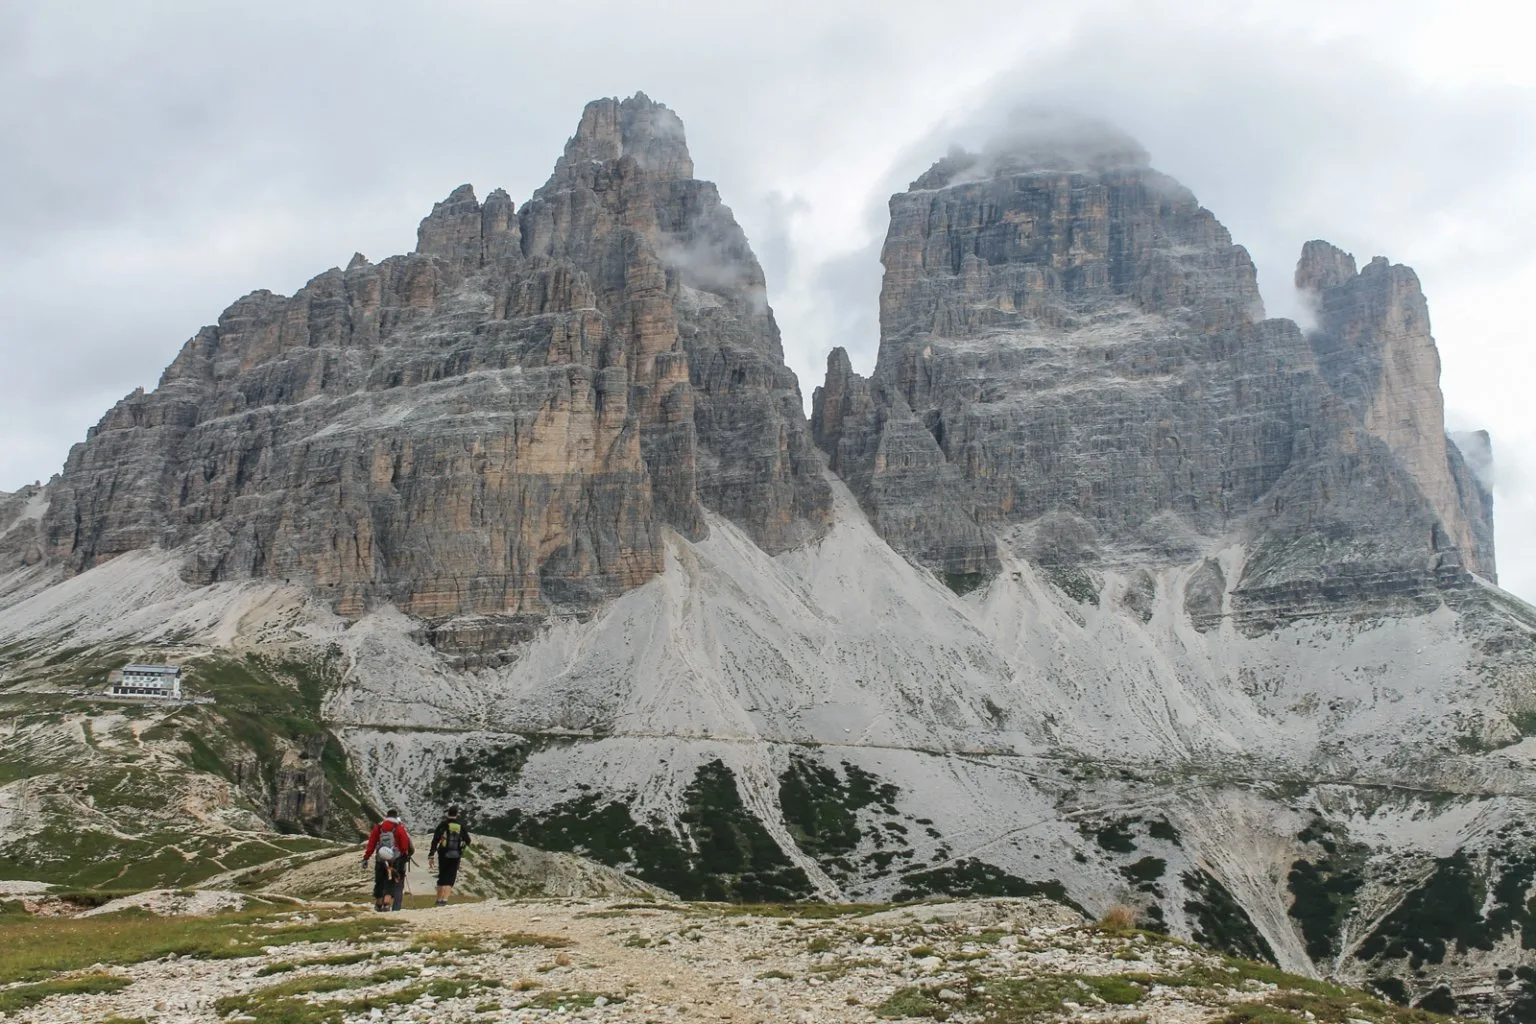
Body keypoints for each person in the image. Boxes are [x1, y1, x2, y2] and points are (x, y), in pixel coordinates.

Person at [362, 809, 413, 911]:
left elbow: (371, 844)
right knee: (390, 882)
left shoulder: (379, 827)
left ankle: (378, 904)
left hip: (380, 859)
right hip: (395, 860)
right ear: (396, 816)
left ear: (386, 816)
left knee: (379, 881)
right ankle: (386, 904)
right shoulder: (399, 828)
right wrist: (405, 856)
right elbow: (404, 845)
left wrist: (366, 857)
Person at [427, 805, 471, 906]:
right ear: (457, 814)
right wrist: (461, 849)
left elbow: (435, 840)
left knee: (442, 875)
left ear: (448, 814)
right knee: (451, 877)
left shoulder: (443, 825)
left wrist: (431, 854)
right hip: (456, 855)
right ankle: (445, 900)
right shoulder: (460, 826)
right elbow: (468, 840)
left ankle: (438, 899)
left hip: (443, 853)